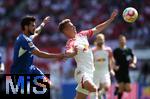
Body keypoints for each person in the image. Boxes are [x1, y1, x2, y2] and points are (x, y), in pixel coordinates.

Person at [58, 10, 118, 99]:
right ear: (66, 31)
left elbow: (97, 28)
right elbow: (69, 52)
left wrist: (110, 19)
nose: (74, 26)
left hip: (91, 72)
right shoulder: (71, 42)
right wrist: (71, 53)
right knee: (94, 89)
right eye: (71, 26)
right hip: (81, 72)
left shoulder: (82, 34)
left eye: (73, 25)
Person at [10, 16, 75, 88]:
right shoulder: (24, 40)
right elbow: (39, 54)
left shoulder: (27, 37)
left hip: (30, 69)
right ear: (26, 27)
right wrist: (60, 55)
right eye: (32, 26)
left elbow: (37, 32)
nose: (34, 27)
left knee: (50, 86)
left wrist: (43, 23)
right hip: (19, 73)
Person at [90, 34, 115, 99]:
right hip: (95, 73)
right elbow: (90, 62)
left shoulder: (108, 50)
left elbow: (112, 60)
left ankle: (100, 94)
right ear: (96, 40)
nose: (100, 41)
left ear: (104, 40)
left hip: (105, 72)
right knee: (94, 92)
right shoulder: (92, 50)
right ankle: (99, 95)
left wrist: (111, 69)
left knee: (107, 87)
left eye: (101, 39)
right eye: (99, 39)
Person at [113, 35, 137, 99]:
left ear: (125, 41)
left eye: (123, 40)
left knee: (128, 89)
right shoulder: (116, 51)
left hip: (126, 71)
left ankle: (118, 88)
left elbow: (134, 57)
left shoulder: (129, 50)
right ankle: (119, 88)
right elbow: (111, 60)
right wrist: (114, 66)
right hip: (118, 71)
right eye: (121, 40)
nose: (122, 41)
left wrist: (133, 63)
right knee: (121, 87)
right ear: (118, 41)